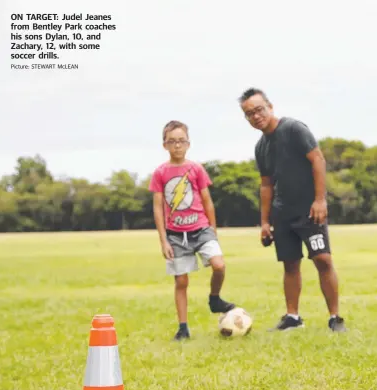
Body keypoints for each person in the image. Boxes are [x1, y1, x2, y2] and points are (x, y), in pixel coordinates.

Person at [239, 88, 347, 332]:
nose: (256, 116)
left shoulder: (293, 129)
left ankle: (335, 318)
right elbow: (266, 185)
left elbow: (318, 160)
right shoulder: (261, 147)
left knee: (322, 259)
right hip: (282, 212)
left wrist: (320, 200)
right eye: (249, 114)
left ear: (270, 106)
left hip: (309, 210)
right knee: (290, 264)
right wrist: (265, 222)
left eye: (259, 109)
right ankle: (293, 317)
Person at [149, 120, 235, 340]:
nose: (177, 145)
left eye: (181, 141)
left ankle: (215, 298)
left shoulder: (196, 169)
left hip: (201, 229)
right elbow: (158, 207)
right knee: (181, 281)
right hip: (176, 235)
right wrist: (163, 241)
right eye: (172, 142)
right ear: (164, 145)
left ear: (188, 143)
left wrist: (212, 230)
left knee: (219, 265)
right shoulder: (160, 173)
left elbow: (207, 200)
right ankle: (183, 327)